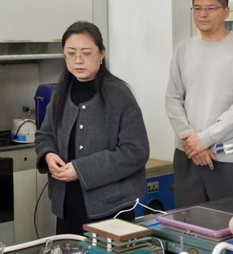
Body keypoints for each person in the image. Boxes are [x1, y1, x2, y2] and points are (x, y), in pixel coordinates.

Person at [35, 22, 150, 236]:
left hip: (111, 209)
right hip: (67, 205)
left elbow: (136, 151)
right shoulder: (61, 92)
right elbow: (45, 134)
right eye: (71, 53)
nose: (78, 60)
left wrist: (81, 169)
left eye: (86, 53)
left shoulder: (119, 95)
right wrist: (48, 154)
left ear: (101, 54)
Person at [166, 0, 233, 206]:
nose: (203, 14)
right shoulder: (183, 48)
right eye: (197, 8)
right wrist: (191, 139)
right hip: (188, 153)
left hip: (229, 155)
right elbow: (173, 98)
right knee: (188, 220)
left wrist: (205, 139)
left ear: (226, 11)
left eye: (211, 8)